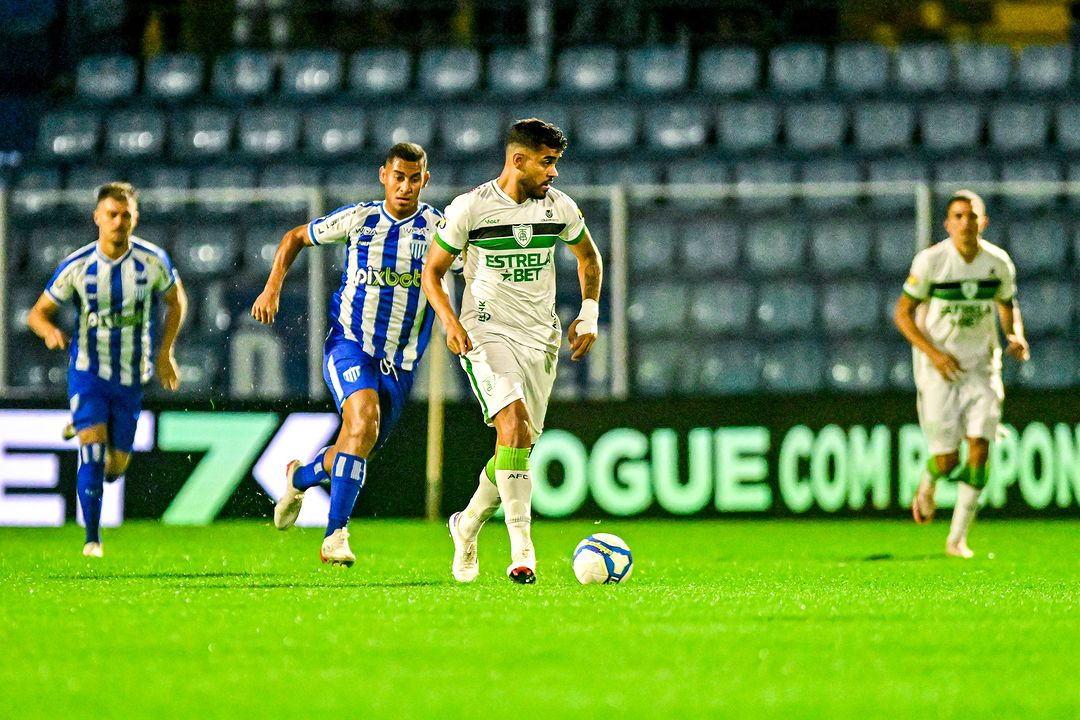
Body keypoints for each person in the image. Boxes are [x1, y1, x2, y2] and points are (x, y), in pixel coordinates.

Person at [421, 118, 604, 584]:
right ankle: (523, 550)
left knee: (517, 445)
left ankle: (466, 525)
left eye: (556, 164)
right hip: (486, 332)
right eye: (547, 163)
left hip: (541, 337)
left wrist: (589, 313)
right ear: (517, 160)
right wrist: (450, 321)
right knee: (514, 424)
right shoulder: (471, 209)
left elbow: (589, 257)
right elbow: (433, 270)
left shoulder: (558, 208)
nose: (554, 174)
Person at [251, 142, 443, 567]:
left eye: (415, 179)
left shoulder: (438, 229)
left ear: (424, 181)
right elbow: (295, 237)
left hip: (401, 362)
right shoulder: (361, 218)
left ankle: (299, 476)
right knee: (362, 420)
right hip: (350, 344)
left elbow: (472, 271)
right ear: (383, 176)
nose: (406, 186)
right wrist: (272, 287)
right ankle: (335, 536)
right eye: (398, 177)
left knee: (355, 446)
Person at [27, 182, 187, 557]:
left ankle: (81, 423)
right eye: (112, 214)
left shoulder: (152, 261)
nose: (118, 221)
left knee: (114, 469)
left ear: (135, 218)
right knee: (93, 453)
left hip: (131, 376)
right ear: (97, 217)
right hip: (88, 370)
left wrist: (166, 353)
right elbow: (37, 313)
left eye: (126, 215)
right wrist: (49, 331)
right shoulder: (78, 265)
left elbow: (176, 301)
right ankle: (92, 539)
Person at [894, 190, 1029, 559]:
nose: (965, 222)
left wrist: (1014, 334)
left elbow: (1006, 304)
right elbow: (902, 313)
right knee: (947, 460)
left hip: (983, 367)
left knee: (980, 448)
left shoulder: (998, 262)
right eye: (958, 216)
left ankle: (957, 539)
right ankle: (929, 481)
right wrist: (934, 355)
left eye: (972, 216)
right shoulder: (931, 261)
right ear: (947, 223)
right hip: (939, 370)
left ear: (983, 222)